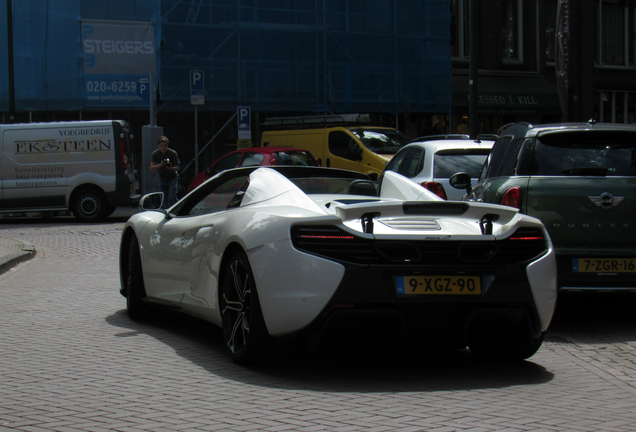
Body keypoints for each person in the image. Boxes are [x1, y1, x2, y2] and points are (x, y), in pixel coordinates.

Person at [150, 136, 181, 207]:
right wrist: (160, 165)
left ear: (167, 146)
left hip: (172, 178)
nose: (163, 148)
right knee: (163, 200)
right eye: (161, 146)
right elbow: (151, 167)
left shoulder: (172, 153)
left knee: (172, 198)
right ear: (159, 146)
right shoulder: (155, 154)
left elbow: (177, 168)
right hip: (162, 179)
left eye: (165, 146)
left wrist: (170, 168)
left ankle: (179, 209)